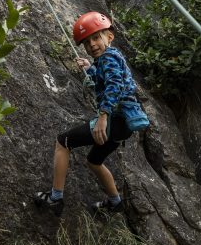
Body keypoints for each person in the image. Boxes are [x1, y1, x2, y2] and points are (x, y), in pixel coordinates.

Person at [34, 11, 144, 217]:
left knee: (63, 142)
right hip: (124, 125)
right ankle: (115, 202)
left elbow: (114, 85)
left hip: (114, 120)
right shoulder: (109, 58)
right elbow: (106, 77)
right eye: (87, 42)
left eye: (96, 37)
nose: (92, 44)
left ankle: (55, 198)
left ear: (109, 36)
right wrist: (90, 68)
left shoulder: (109, 58)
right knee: (94, 161)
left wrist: (103, 117)